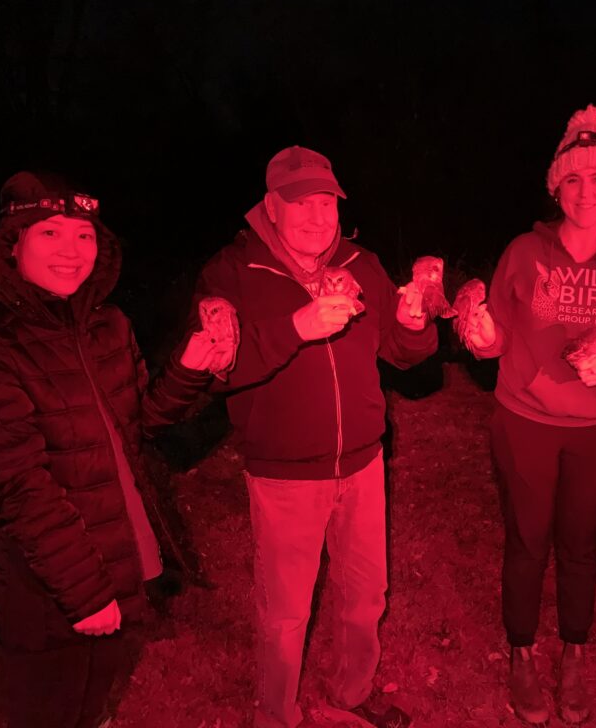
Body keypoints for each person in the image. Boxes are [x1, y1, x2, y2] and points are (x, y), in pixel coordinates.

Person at [0, 171, 232, 728]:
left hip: (120, 561)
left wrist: (190, 368)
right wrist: (85, 594)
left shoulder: (108, 326)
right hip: (49, 589)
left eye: (85, 235)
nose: (71, 251)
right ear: (12, 244)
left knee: (94, 707)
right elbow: (13, 485)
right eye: (49, 234)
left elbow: (135, 424)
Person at [187, 145, 437, 728]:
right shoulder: (233, 272)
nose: (316, 217)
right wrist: (297, 326)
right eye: (300, 203)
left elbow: (401, 355)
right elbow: (217, 370)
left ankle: (352, 693)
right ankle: (277, 715)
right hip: (283, 472)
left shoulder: (361, 263)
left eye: (326, 203)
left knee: (366, 594)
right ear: (270, 206)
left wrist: (413, 324)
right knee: (285, 612)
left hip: (363, 462)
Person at [462, 106, 596, 724]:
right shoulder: (524, 251)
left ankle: (573, 652)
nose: (585, 191)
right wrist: (477, 331)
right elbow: (491, 337)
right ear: (557, 187)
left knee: (581, 545)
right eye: (573, 179)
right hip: (525, 419)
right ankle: (522, 653)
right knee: (527, 541)